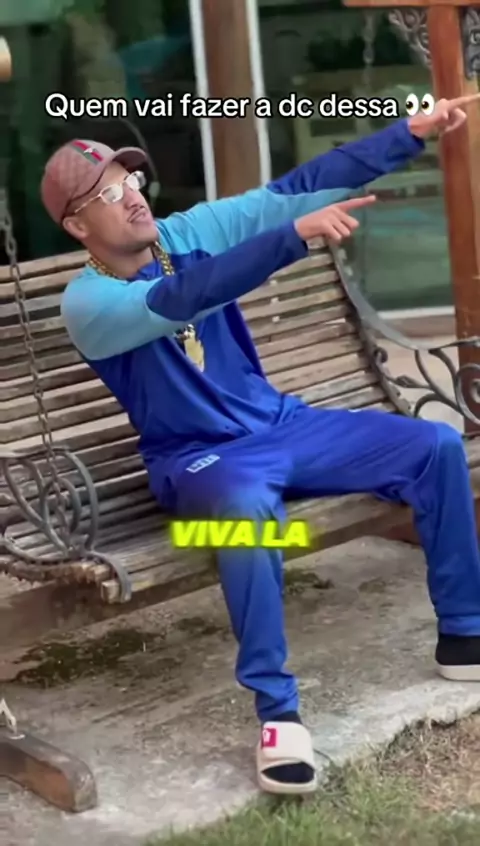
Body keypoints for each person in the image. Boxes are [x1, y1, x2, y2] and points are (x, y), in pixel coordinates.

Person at [40, 96, 480, 796]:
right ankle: (279, 716)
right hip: (197, 465)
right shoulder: (86, 302)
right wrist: (291, 240)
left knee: (434, 445)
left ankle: (465, 632)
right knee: (246, 517)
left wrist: (407, 134)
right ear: (76, 225)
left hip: (282, 426)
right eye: (108, 195)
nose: (133, 198)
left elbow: (296, 191)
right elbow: (181, 299)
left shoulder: (189, 231)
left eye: (132, 182)